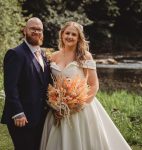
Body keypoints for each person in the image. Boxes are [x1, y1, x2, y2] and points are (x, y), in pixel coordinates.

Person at [40, 21, 132, 150]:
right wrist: (55, 104)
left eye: (74, 34)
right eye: (67, 33)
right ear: (62, 35)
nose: (70, 37)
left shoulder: (84, 56)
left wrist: (78, 105)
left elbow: (94, 85)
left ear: (79, 38)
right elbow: (49, 83)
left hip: (81, 109)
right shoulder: (53, 56)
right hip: (58, 108)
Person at [1, 17, 53, 150]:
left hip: (40, 116)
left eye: (39, 29)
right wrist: (18, 112)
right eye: (33, 29)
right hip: (21, 117)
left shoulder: (42, 54)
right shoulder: (15, 54)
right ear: (25, 30)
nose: (36, 32)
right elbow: (10, 87)